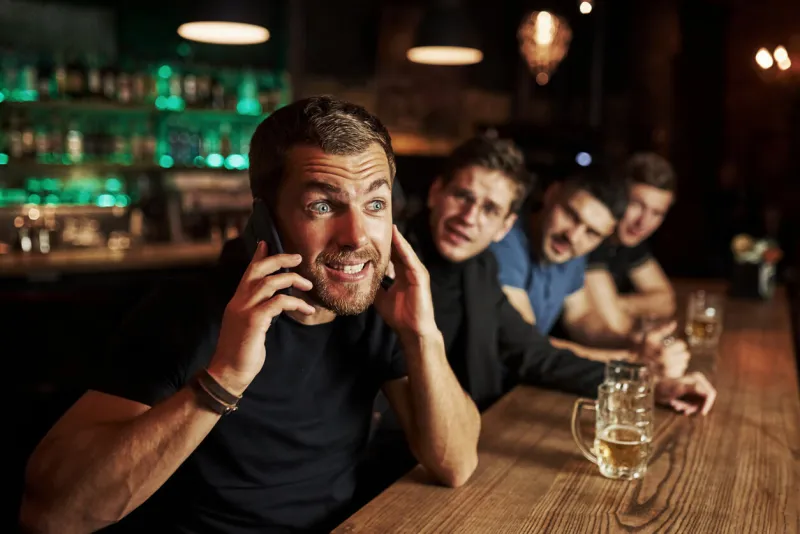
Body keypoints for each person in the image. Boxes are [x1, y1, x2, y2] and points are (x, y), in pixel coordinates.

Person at [20, 96, 480, 534]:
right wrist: (224, 378)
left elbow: (455, 463)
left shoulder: (373, 309)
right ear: (265, 221)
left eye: (375, 204)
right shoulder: (187, 312)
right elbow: (52, 514)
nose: (357, 235)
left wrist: (423, 334)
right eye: (322, 205)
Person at [359, 136, 715, 500]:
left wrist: (649, 385)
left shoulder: (480, 266)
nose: (469, 218)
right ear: (436, 192)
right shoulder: (384, 265)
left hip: (478, 444)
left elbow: (535, 354)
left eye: (490, 209)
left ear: (503, 225)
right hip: (403, 471)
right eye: (462, 197)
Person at [489, 167, 685, 365]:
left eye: (592, 232)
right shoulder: (505, 241)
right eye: (571, 215)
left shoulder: (571, 250)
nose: (573, 236)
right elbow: (528, 345)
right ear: (552, 193)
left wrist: (633, 343)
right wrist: (629, 359)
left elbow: (581, 318)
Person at [577, 152, 678, 345]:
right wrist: (638, 307)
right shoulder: (591, 238)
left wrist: (619, 303)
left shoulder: (630, 239)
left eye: (657, 213)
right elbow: (614, 325)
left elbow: (666, 301)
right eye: (637, 205)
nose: (644, 222)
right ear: (619, 196)